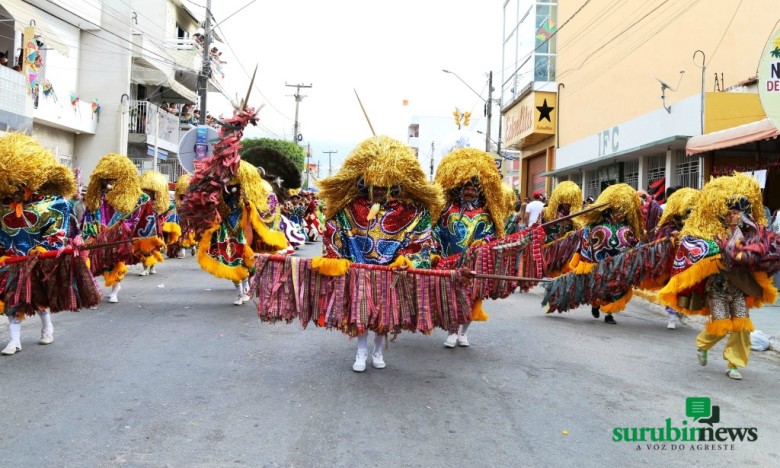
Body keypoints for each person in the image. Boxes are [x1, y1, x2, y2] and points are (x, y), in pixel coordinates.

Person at [316, 135, 443, 372]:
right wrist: (337, 258)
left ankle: (377, 350)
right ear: (366, 185)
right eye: (376, 188)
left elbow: (422, 238)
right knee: (361, 313)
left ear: (395, 187)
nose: (380, 194)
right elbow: (334, 231)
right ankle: (361, 352)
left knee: (384, 316)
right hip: (359, 272)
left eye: (385, 189)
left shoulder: (411, 212)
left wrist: (406, 259)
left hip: (390, 274)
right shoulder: (350, 208)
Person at [658, 173, 777, 380]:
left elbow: (762, 250)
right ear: (725, 212)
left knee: (742, 325)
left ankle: (734, 365)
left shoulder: (750, 232)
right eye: (733, 211)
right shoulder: (711, 231)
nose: (737, 215)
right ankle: (702, 346)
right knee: (721, 325)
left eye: (740, 211)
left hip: (739, 285)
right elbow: (693, 246)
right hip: (717, 286)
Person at [0, 133, 78, 355]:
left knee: (39, 298)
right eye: (10, 183)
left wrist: (43, 250)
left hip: (38, 260)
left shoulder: (54, 203)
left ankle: (47, 327)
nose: (14, 189)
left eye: (19, 183)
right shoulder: (2, 204)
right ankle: (14, 340)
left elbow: (58, 232)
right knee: (10, 299)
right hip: (10, 260)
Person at [433, 148, 506, 348]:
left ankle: (464, 331)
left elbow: (492, 235)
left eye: (474, 188)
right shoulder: (448, 210)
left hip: (476, 262)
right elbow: (438, 232)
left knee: (472, 298)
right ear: (459, 189)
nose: (470, 191)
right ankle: (452, 331)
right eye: (466, 187)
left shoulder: (485, 213)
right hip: (451, 262)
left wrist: (483, 243)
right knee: (453, 298)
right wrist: (436, 251)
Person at [197, 160, 287, 305]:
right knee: (231, 263)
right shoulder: (221, 197)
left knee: (245, 262)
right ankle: (241, 293)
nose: (232, 186)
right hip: (226, 231)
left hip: (244, 232)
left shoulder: (249, 199)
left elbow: (263, 212)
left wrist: (248, 203)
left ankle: (246, 290)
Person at [81, 154, 163, 303]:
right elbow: (89, 215)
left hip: (119, 236)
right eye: (106, 181)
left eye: (113, 180)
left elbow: (137, 218)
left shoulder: (135, 199)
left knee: (116, 260)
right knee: (91, 261)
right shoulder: (99, 198)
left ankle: (115, 289)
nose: (109, 184)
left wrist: (121, 228)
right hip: (98, 235)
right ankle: (92, 291)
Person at [569, 183, 645, 324]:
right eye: (618, 211)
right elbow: (586, 244)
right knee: (598, 286)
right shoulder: (596, 226)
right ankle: (595, 305)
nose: (620, 214)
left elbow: (635, 245)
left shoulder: (628, 229)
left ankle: (609, 313)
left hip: (618, 266)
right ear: (609, 210)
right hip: (599, 264)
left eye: (623, 212)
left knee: (615, 288)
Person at [645, 188, 699, 329]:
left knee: (686, 286)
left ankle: (680, 311)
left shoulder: (693, 217)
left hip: (688, 256)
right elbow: (661, 231)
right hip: (672, 257)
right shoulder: (668, 216)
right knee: (672, 283)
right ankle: (672, 316)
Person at [138, 170, 170, 275]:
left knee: (153, 248)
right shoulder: (140, 201)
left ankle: (152, 267)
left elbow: (161, 213)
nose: (146, 193)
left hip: (154, 228)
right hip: (142, 227)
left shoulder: (156, 204)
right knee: (143, 249)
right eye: (145, 190)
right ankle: (145, 268)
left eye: (149, 191)